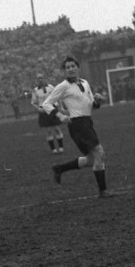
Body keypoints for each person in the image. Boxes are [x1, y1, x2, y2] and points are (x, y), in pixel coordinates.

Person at [44, 56, 112, 199]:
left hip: (87, 122)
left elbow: (91, 105)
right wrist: (61, 117)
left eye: (72, 66)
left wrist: (98, 101)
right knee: (99, 153)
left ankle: (60, 168)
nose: (70, 69)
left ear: (77, 67)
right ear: (64, 71)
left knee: (93, 160)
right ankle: (103, 191)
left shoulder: (85, 83)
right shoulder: (63, 86)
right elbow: (46, 104)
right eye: (67, 67)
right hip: (77, 125)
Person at [31, 73, 65, 154]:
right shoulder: (35, 90)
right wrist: (38, 109)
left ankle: (61, 147)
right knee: (48, 131)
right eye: (38, 78)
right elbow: (33, 102)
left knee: (57, 128)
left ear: (45, 78)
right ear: (36, 80)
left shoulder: (51, 87)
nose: (40, 80)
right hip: (43, 111)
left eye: (41, 78)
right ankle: (53, 149)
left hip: (52, 109)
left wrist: (61, 107)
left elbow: (58, 97)